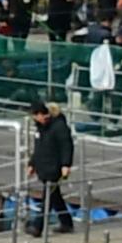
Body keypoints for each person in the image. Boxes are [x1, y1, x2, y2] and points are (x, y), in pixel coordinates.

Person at [28, 98, 76, 233]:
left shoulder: (59, 127)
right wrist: (32, 163)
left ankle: (38, 226)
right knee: (55, 197)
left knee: (48, 197)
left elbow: (66, 146)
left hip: (53, 167)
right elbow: (38, 148)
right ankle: (66, 222)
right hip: (44, 166)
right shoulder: (41, 128)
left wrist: (66, 164)